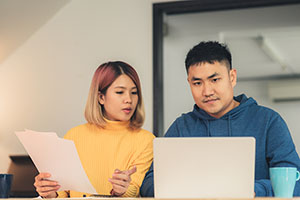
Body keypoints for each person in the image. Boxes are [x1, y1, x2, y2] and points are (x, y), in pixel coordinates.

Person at [140, 41, 300, 197]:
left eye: (215, 80)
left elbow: (296, 183)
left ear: (232, 77)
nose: (207, 91)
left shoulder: (268, 121)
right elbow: (149, 184)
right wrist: (188, 187)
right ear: (189, 83)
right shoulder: (181, 127)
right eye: (197, 83)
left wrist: (255, 190)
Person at [34, 61, 155, 198]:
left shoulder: (146, 140)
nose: (129, 99)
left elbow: (135, 190)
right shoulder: (74, 136)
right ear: (101, 97)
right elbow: (62, 194)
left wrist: (122, 190)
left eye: (134, 92)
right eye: (120, 92)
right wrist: (49, 193)